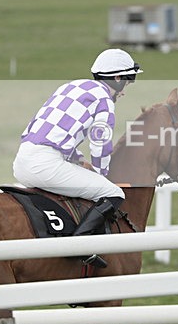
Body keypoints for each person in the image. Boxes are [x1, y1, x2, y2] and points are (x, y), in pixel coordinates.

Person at [13, 48, 142, 236]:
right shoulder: (104, 99)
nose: (124, 91)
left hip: (21, 163)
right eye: (127, 83)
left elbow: (57, 132)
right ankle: (79, 244)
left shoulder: (69, 87)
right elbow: (100, 142)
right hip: (45, 166)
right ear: (117, 78)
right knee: (114, 193)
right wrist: (101, 174)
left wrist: (80, 161)